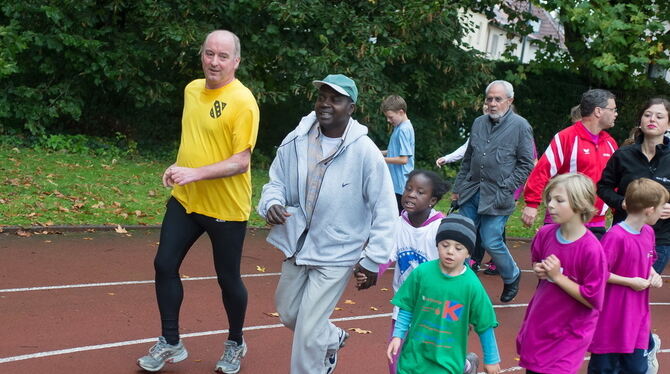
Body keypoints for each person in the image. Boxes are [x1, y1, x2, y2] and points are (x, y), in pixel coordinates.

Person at [137, 30, 260, 374]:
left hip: (225, 207)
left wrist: (196, 173)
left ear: (236, 61)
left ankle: (236, 342)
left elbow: (241, 161)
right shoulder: (192, 90)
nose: (214, 62)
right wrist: (178, 168)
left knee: (228, 278)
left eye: (223, 56)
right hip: (186, 200)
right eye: (209, 54)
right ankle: (171, 342)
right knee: (164, 264)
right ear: (202, 56)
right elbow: (195, 140)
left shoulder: (243, 101)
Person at [257, 74, 397, 374]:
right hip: (297, 243)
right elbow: (276, 181)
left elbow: (385, 208)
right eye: (322, 96)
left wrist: (374, 260)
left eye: (335, 99)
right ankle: (332, 337)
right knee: (289, 313)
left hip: (338, 250)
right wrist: (272, 203)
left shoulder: (365, 152)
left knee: (307, 331)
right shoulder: (297, 139)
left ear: (351, 107)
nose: (326, 103)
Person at [596, 98, 670, 373]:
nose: (652, 119)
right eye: (647, 114)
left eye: (659, 116)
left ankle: (640, 348)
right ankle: (630, 352)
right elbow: (602, 188)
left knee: (635, 299)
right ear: (640, 121)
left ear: (668, 123)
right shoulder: (623, 155)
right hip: (624, 235)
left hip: (658, 240)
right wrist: (622, 203)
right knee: (619, 299)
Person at [385, 214, 501, 374]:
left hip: (447, 361)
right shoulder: (422, 273)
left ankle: (466, 366)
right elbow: (407, 307)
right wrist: (397, 335)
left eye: (458, 248)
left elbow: (485, 323)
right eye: (444, 245)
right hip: (413, 356)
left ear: (468, 253)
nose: (450, 252)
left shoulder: (471, 285)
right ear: (437, 244)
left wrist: (492, 358)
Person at [516, 173, 608, 374]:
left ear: (580, 204)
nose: (550, 205)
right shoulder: (545, 234)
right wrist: (539, 269)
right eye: (549, 199)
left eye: (559, 200)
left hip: (570, 332)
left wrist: (558, 277)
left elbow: (593, 299)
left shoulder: (591, 249)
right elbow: (537, 260)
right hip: (541, 322)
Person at [452, 80, 535, 302]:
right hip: (472, 191)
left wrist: (507, 186)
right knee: (462, 237)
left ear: (510, 101)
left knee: (490, 240)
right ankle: (461, 285)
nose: (492, 103)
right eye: (489, 98)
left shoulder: (520, 126)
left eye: (498, 99)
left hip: (498, 196)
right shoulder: (478, 122)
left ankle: (512, 274)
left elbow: (527, 164)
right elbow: (468, 158)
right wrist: (458, 188)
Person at [588, 178, 666, 374]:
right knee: (604, 368)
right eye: (661, 208)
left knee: (636, 369)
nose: (663, 212)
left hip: (637, 319)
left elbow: (647, 262)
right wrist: (630, 282)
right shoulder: (616, 236)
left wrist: (653, 273)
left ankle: (650, 347)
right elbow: (598, 273)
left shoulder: (648, 232)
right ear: (649, 209)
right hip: (612, 319)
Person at [521, 89, 619, 239]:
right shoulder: (566, 137)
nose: (616, 114)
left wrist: (618, 208)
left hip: (596, 223)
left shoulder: (610, 143)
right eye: (613, 109)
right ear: (598, 111)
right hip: (564, 219)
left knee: (593, 262)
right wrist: (531, 204)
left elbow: (614, 181)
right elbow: (542, 171)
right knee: (552, 263)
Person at [382, 169, 449, 374]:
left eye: (420, 192)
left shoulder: (441, 227)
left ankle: (463, 365)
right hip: (404, 305)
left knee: (434, 358)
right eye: (408, 189)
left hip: (435, 307)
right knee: (395, 358)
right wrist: (370, 272)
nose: (411, 194)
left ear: (432, 200)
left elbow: (456, 264)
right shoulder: (398, 223)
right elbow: (386, 256)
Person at [381, 95, 415, 213]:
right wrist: (379, 153)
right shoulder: (398, 127)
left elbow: (403, 159)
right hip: (395, 183)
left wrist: (381, 159)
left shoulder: (404, 129)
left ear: (401, 112)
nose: (388, 120)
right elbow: (394, 151)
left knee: (399, 217)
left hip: (401, 185)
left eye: (390, 117)